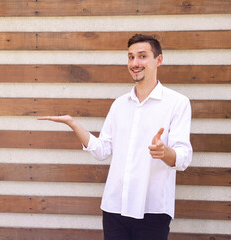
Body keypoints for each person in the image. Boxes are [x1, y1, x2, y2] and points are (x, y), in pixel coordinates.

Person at [38, 34, 193, 240]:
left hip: (153, 210)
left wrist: (164, 152)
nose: (135, 63)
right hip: (114, 208)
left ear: (159, 60)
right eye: (130, 57)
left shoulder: (177, 103)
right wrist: (73, 124)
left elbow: (183, 157)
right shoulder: (119, 104)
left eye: (142, 56)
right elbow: (103, 150)